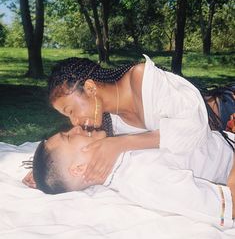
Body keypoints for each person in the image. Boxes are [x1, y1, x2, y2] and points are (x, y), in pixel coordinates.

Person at [47, 55, 235, 183]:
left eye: (70, 110)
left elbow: (195, 130)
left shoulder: (140, 78)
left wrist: (123, 143)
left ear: (90, 88)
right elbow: (80, 154)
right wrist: (51, 172)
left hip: (227, 111)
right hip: (223, 144)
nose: (74, 122)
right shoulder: (109, 123)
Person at [32, 126, 235, 229]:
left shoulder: (118, 149)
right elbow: (229, 205)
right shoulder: (145, 178)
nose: (75, 127)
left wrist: (43, 174)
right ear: (78, 168)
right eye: (69, 136)